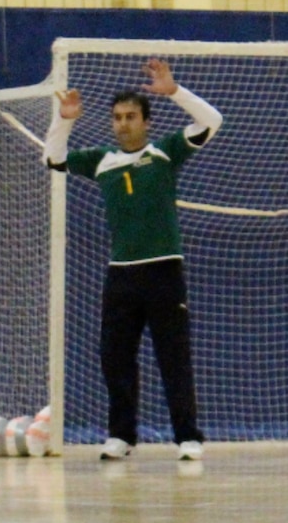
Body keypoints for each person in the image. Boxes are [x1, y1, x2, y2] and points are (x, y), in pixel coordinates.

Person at [42, 59, 223, 461]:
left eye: (131, 117)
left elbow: (212, 119)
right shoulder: (101, 159)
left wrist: (174, 90)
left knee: (172, 355)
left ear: (146, 121)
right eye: (117, 117)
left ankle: (188, 438)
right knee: (115, 357)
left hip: (164, 270)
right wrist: (66, 119)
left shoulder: (165, 153)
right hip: (120, 275)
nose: (123, 123)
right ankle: (121, 436)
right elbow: (53, 159)